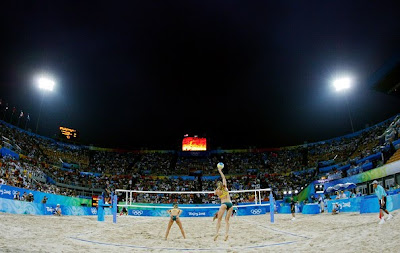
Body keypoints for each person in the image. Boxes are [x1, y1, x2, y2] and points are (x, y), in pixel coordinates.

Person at [213, 165, 233, 241]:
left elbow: (215, 193)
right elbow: (224, 178)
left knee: (219, 220)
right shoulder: (225, 187)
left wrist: (217, 189)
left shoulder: (217, 191)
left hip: (224, 204)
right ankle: (226, 234)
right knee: (227, 220)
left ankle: (217, 233)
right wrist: (220, 171)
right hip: (230, 204)